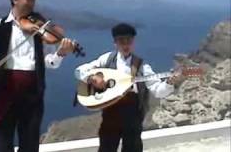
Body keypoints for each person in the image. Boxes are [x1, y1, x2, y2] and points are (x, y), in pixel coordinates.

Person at [0, 0, 74, 152]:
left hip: (33, 92)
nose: (31, 3)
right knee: (1, 143)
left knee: (30, 143)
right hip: (5, 90)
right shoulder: (0, 26)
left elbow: (49, 62)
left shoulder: (40, 28)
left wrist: (60, 53)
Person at [74, 23, 182, 152]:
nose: (125, 45)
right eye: (121, 41)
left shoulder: (141, 66)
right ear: (115, 43)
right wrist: (92, 78)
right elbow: (79, 71)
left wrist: (169, 83)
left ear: (133, 42)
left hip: (132, 114)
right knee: (106, 148)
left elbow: (158, 91)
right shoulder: (107, 59)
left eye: (129, 41)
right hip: (110, 112)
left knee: (133, 148)